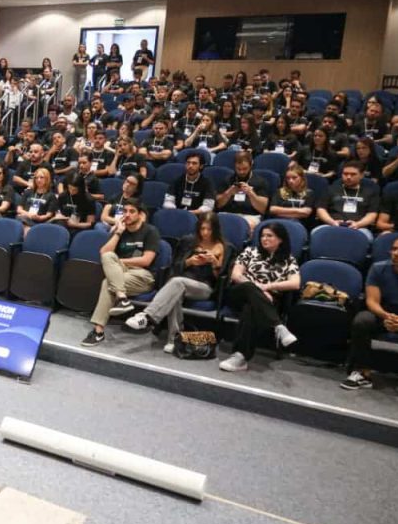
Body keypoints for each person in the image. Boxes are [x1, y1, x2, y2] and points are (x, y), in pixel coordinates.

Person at [125, 211, 226, 350]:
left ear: (215, 229)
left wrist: (214, 263)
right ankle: (174, 339)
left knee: (176, 283)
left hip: (204, 287)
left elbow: (222, 278)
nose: (205, 232)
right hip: (182, 281)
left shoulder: (224, 247)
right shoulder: (188, 242)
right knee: (176, 291)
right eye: (202, 228)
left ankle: (147, 316)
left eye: (209, 229)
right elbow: (174, 266)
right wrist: (189, 262)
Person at [220, 222, 300, 372]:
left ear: (280, 239)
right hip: (240, 293)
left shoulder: (289, 260)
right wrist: (258, 289)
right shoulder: (250, 251)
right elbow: (236, 275)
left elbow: (295, 283)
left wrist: (267, 287)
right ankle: (278, 325)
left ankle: (240, 357)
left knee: (250, 308)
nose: (264, 239)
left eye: (269, 236)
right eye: (262, 235)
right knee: (250, 289)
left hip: (264, 301)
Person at [82, 198, 161, 346]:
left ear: (140, 215)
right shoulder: (121, 231)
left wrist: (119, 262)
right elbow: (104, 253)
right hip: (120, 273)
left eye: (132, 211)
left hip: (142, 275)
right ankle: (122, 298)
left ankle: (98, 332)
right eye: (125, 211)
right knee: (107, 257)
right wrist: (118, 233)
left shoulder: (150, 231)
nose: (127, 214)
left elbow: (146, 261)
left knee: (108, 282)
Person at [342, 236, 398, 390]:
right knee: (362, 321)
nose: (396, 253)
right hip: (383, 313)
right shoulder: (378, 268)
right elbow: (372, 301)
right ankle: (362, 372)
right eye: (394, 249)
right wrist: (387, 316)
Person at [315, 160, 379, 241]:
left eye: (353, 174)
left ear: (361, 175)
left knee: (367, 238)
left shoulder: (370, 193)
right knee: (316, 233)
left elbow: (372, 214)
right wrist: (331, 222)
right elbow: (321, 209)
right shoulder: (331, 189)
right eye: (345, 174)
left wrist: (358, 224)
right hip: (331, 224)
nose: (348, 177)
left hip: (359, 228)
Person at [215, 151, 270, 228]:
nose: (241, 172)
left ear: (251, 165)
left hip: (250, 216)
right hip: (227, 214)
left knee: (246, 227)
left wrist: (251, 194)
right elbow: (218, 204)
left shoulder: (260, 182)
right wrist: (229, 193)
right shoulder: (227, 180)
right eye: (238, 169)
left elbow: (263, 209)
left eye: (245, 169)